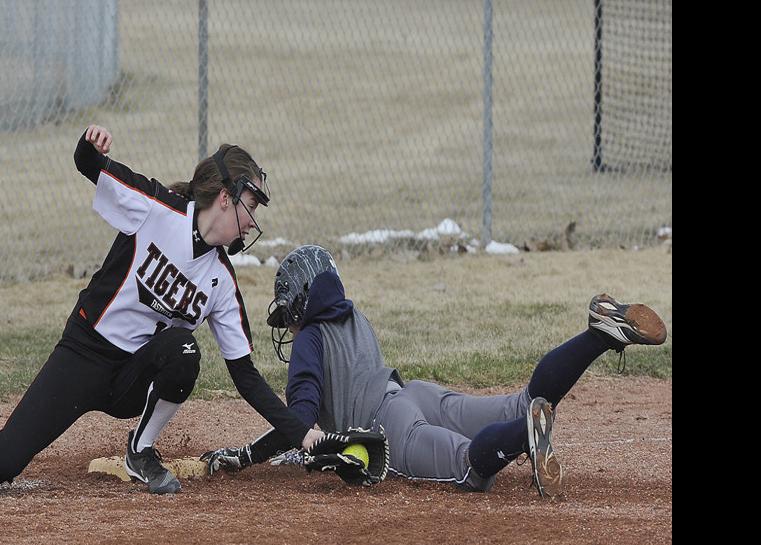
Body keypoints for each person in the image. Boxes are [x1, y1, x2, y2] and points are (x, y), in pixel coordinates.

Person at [201, 245, 667, 497]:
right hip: (415, 394)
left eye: (291, 314)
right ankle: (599, 336)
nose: (291, 324)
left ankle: (524, 436)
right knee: (520, 401)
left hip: (390, 425)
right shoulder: (353, 315)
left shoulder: (309, 339)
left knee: (469, 468)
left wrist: (246, 455)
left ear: (302, 302)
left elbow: (297, 422)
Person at [0, 125, 316, 494]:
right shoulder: (156, 208)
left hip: (134, 379)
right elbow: (87, 164)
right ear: (226, 197)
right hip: (84, 354)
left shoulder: (222, 280)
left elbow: (245, 377)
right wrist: (90, 143)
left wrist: (304, 436)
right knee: (6, 461)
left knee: (183, 347)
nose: (252, 221)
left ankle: (141, 449)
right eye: (251, 205)